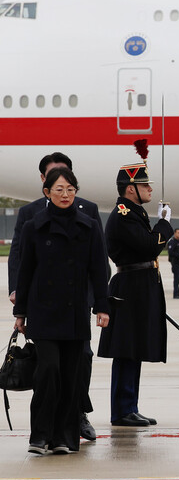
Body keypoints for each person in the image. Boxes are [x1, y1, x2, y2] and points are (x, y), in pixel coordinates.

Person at [13, 167, 110, 454]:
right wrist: (21, 312)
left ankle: (64, 439)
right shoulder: (34, 226)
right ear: (47, 193)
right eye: (59, 190)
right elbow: (25, 272)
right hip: (43, 312)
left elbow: (98, 270)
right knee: (48, 371)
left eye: (70, 189)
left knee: (71, 376)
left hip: (75, 312)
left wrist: (102, 307)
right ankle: (40, 436)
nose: (65, 194)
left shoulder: (89, 226)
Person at [98, 152, 173, 427]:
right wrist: (164, 223)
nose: (150, 189)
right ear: (132, 189)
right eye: (146, 185)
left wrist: (157, 227)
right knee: (126, 350)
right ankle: (121, 410)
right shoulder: (124, 215)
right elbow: (149, 246)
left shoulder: (133, 213)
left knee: (135, 348)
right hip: (129, 288)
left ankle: (130, 406)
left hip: (139, 286)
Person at [167, 228, 179, 299]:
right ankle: (175, 294)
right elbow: (170, 252)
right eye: (178, 233)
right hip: (175, 263)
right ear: (175, 233)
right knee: (176, 279)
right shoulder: (172, 242)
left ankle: (177, 293)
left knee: (178, 279)